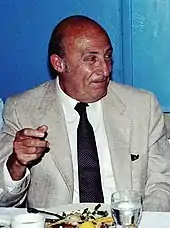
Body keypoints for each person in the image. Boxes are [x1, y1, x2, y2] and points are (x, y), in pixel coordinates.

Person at [0, 15, 170, 211]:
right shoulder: (22, 110)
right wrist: (17, 164)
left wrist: (141, 223)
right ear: (59, 64)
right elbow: (4, 199)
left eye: (107, 56)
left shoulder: (142, 106)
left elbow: (161, 184)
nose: (105, 70)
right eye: (91, 59)